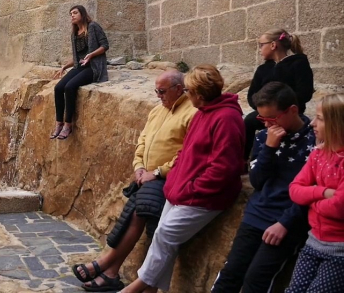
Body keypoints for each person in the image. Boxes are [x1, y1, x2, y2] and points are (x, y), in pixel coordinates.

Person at [120, 65, 245, 293]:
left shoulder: (227, 118)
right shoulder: (203, 113)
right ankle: (150, 290)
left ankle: (136, 288)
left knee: (166, 233)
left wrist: (190, 188)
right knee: (163, 235)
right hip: (181, 189)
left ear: (199, 93)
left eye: (188, 91)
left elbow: (223, 168)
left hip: (204, 196)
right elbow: (185, 151)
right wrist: (177, 178)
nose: (186, 95)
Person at [75, 70, 197, 291]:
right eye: (156, 91)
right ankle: (110, 272)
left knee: (141, 210)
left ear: (178, 89)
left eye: (162, 91)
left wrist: (158, 172)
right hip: (147, 176)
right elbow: (143, 140)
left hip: (167, 178)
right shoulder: (157, 110)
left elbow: (186, 153)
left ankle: (106, 266)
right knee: (133, 208)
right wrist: (139, 166)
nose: (158, 95)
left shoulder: (191, 112)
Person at [212, 82, 314, 293]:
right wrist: (269, 148)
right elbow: (257, 180)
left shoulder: (314, 141)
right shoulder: (263, 137)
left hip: (287, 222)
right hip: (256, 215)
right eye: (262, 119)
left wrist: (285, 223)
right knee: (231, 274)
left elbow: (313, 191)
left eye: (272, 119)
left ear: (292, 110)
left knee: (256, 280)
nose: (267, 125)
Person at [286, 94, 344, 293]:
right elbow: (294, 190)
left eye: (319, 118)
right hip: (313, 242)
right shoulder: (318, 155)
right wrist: (323, 192)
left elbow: (339, 207)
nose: (312, 123)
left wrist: (311, 201)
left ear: (336, 123)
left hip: (339, 251)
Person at [245, 29, 313, 160]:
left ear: (273, 45)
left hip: (290, 112)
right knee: (249, 121)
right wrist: (264, 111)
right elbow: (252, 94)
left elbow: (305, 92)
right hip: (266, 115)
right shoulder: (263, 69)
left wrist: (282, 107)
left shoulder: (299, 64)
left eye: (261, 45)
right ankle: (243, 159)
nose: (259, 49)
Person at [51, 5, 109, 140]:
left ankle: (68, 124)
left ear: (82, 14)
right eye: (70, 13)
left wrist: (91, 55)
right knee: (58, 88)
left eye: (75, 12)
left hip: (93, 67)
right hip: (80, 67)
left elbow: (105, 45)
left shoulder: (93, 27)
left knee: (69, 87)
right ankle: (58, 123)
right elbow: (77, 58)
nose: (72, 15)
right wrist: (64, 67)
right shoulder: (74, 34)